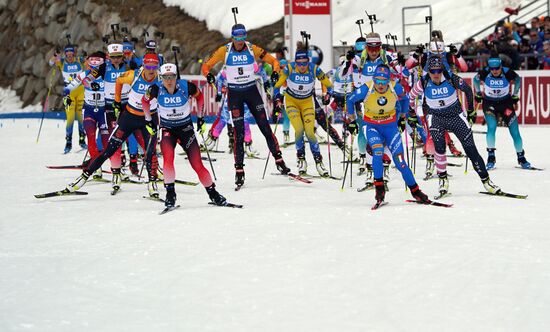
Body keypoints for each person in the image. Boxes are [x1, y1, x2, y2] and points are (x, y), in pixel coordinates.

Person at [201, 23, 290, 188]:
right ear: (232, 37)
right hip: (234, 95)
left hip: (252, 93)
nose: (240, 40)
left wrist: (276, 71)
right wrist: (209, 76)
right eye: (237, 37)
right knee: (239, 134)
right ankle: (239, 170)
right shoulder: (224, 51)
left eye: (243, 36)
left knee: (265, 128)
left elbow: (273, 61)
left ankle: (279, 160)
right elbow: (205, 66)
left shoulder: (252, 48)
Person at [65, 54, 161, 196]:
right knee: (109, 149)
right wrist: (116, 101)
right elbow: (118, 81)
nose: (151, 70)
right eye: (148, 66)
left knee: (150, 151)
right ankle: (83, 178)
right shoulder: (133, 75)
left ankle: (152, 183)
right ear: (143, 66)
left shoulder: (161, 79)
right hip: (129, 117)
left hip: (149, 118)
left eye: (154, 67)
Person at [408, 56, 501, 197]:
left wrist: (470, 111)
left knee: (471, 151)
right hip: (436, 117)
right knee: (439, 148)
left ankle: (487, 181)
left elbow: (468, 90)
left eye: (439, 70)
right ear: (429, 71)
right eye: (433, 71)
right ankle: (443, 181)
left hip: (455, 116)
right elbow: (411, 97)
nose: (436, 74)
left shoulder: (451, 78)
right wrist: (411, 115)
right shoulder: (423, 81)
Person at [142, 63, 227, 208]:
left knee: (197, 164)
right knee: (168, 160)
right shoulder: (155, 89)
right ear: (160, 77)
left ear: (176, 77)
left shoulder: (186, 86)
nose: (169, 81)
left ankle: (213, 193)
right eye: (165, 77)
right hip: (167, 129)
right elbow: (144, 101)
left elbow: (200, 98)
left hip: (186, 129)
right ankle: (170, 193)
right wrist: (148, 120)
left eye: (172, 77)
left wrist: (200, 117)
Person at [345, 64, 429, 206]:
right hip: (371, 126)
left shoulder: (395, 87)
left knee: (400, 162)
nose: (381, 85)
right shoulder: (367, 87)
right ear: (373, 79)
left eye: (384, 81)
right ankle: (379, 189)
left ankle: (416, 191)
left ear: (388, 80)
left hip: (390, 127)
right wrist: (352, 121)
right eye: (378, 81)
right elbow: (350, 99)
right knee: (377, 152)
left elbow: (405, 99)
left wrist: (402, 117)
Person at [273, 49, 333, 176]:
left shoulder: (314, 69)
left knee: (310, 132)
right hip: (291, 102)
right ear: (295, 62)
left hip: (307, 102)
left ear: (308, 62)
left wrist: (328, 95)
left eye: (304, 63)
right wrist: (277, 99)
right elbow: (277, 86)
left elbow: (329, 84)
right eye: (299, 63)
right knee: (299, 130)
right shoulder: (289, 68)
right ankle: (301, 159)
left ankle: (319, 162)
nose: (302, 66)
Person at [473, 56, 530, 169]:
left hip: (506, 104)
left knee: (515, 132)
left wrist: (515, 95)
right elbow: (475, 79)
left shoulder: (507, 72)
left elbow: (518, 79)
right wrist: (478, 93)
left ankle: (521, 157)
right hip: (490, 104)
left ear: (501, 66)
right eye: (492, 69)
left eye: (497, 68)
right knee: (492, 127)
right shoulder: (485, 72)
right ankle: (491, 157)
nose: (494, 71)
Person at [63, 52, 109, 180]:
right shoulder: (85, 74)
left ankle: (115, 166)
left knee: (106, 143)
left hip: (103, 111)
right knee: (90, 137)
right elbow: (69, 87)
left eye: (96, 67)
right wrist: (66, 96)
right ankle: (96, 167)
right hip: (89, 110)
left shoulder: (107, 75)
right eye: (91, 66)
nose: (93, 70)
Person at [49, 45, 86, 153]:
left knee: (80, 117)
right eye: (67, 55)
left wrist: (86, 56)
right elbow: (51, 63)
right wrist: (55, 55)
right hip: (68, 93)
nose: (69, 57)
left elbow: (90, 63)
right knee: (70, 118)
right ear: (65, 54)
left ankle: (82, 140)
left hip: (80, 91)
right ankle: (68, 143)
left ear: (74, 54)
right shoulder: (61, 62)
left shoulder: (79, 60)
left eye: (71, 55)